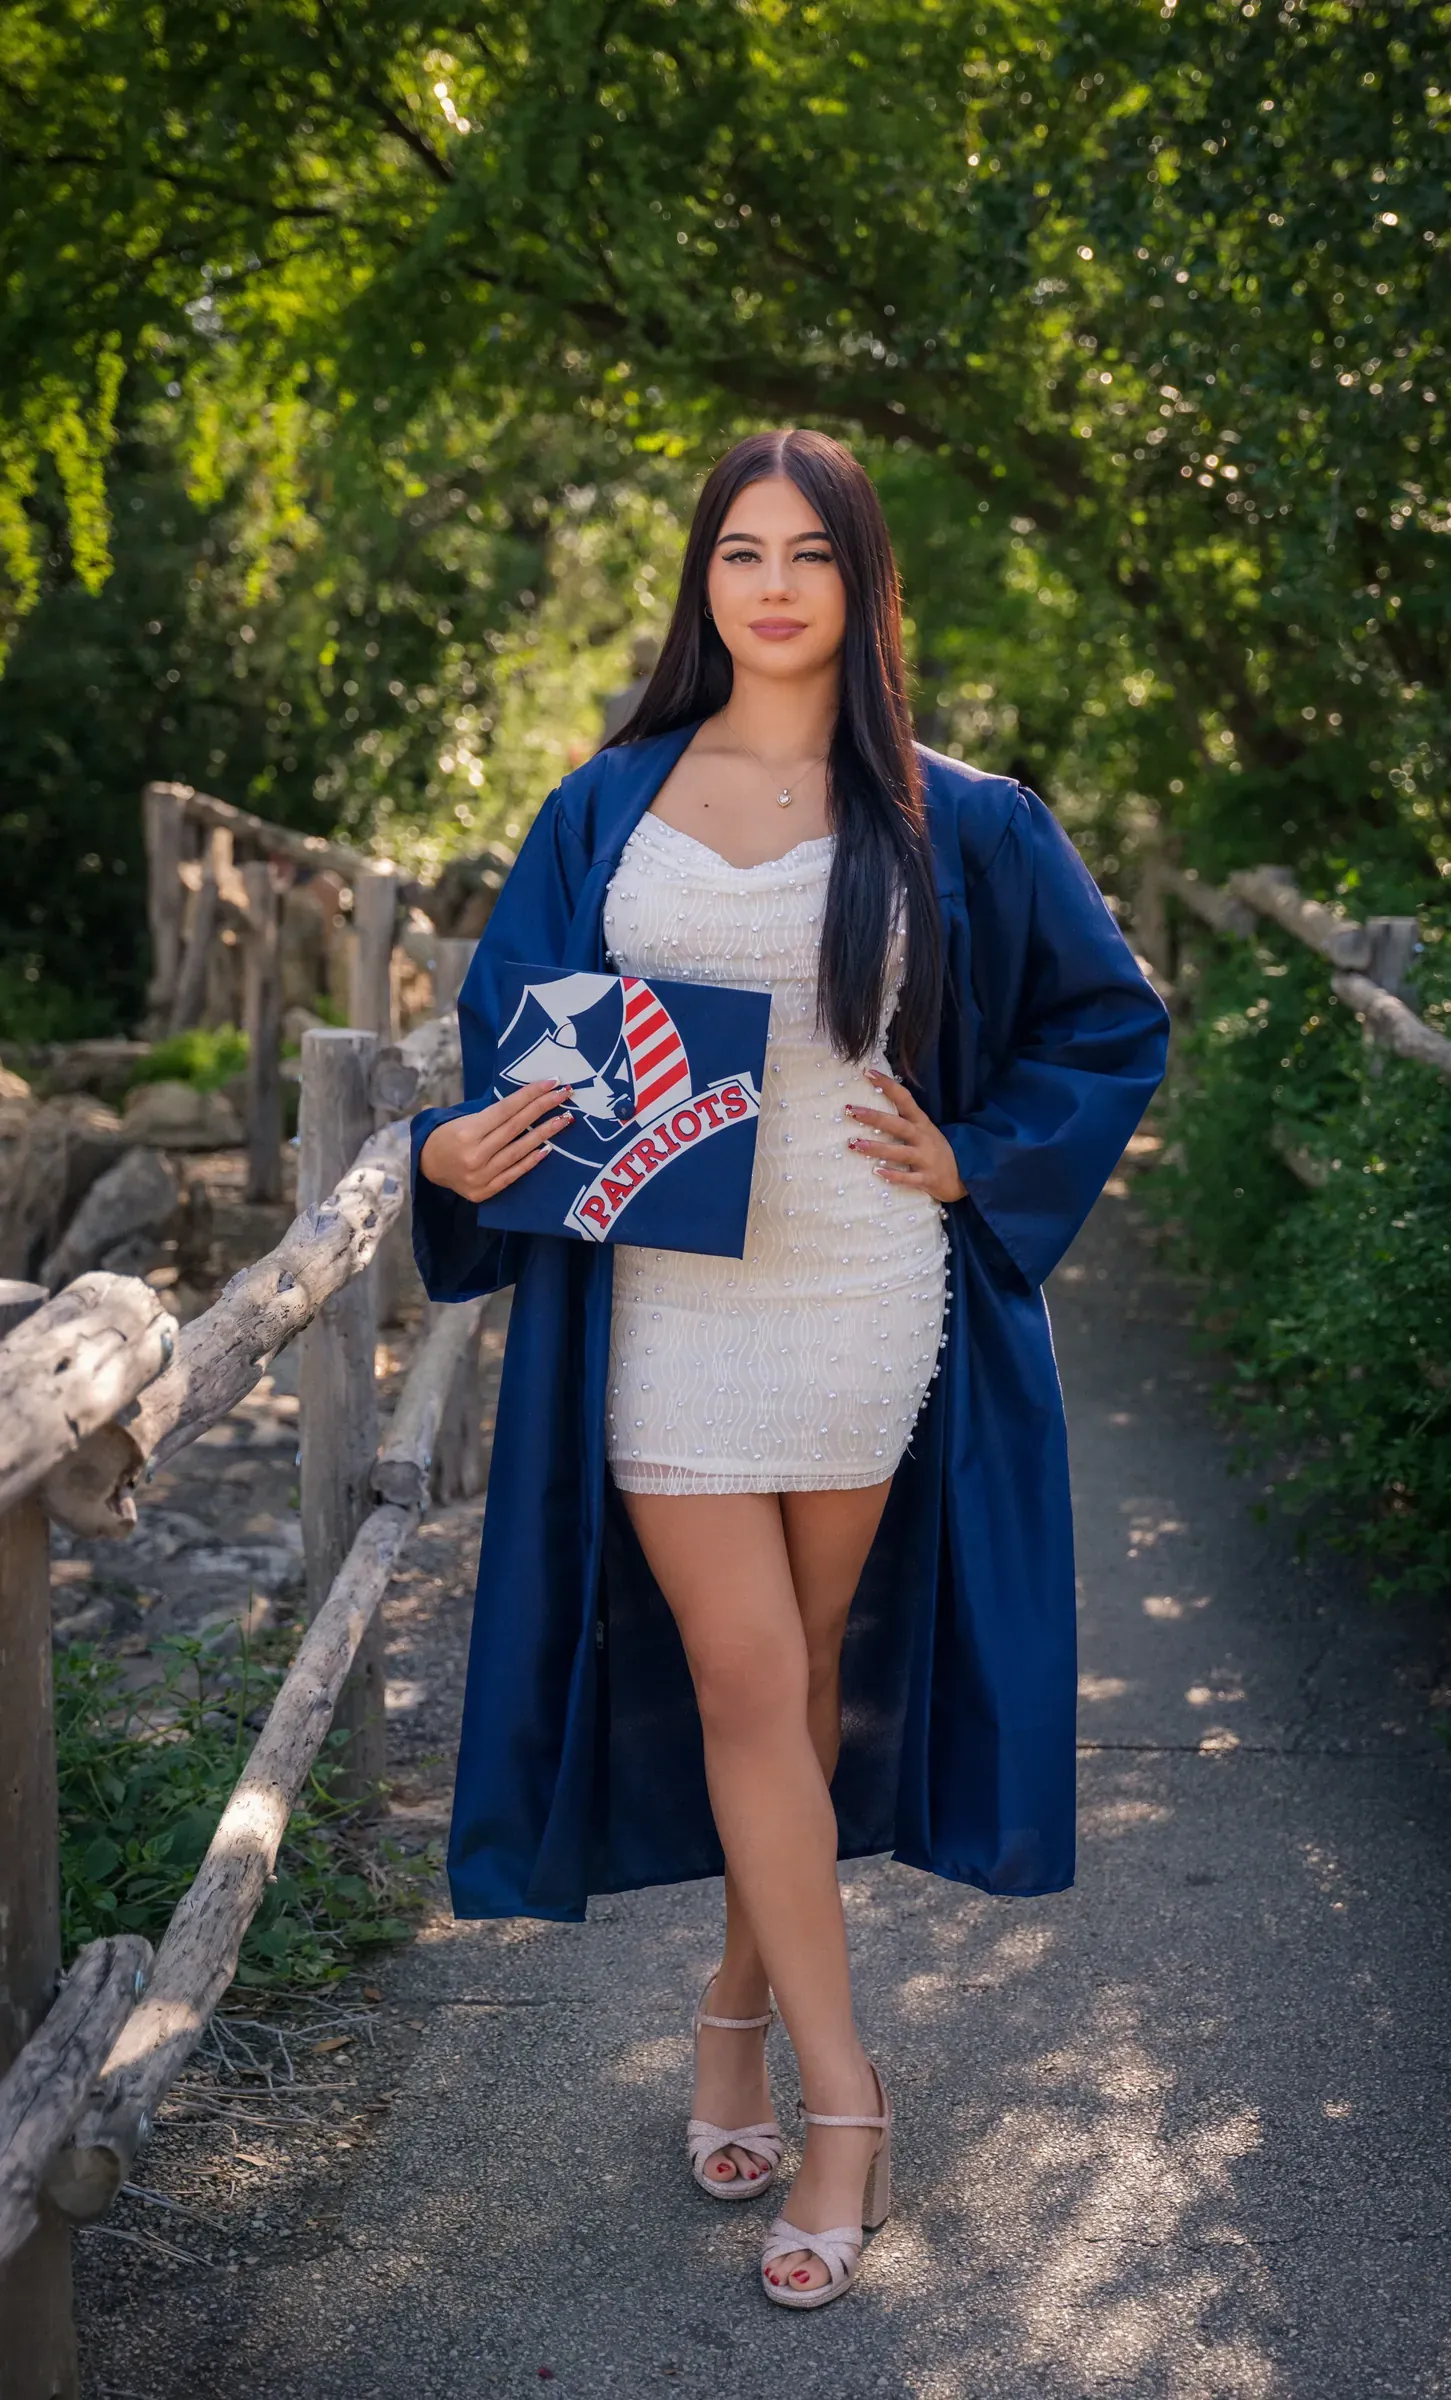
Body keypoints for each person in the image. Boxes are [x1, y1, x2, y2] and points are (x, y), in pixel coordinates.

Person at [410, 428, 1168, 2310]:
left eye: (806, 553)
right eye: (737, 551)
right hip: (667, 1303)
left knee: (810, 1674)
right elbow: (517, 1041)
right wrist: (449, 1148)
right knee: (748, 1677)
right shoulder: (608, 804)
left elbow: (1113, 1018)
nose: (769, 583)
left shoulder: (956, 816)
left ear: (861, 585)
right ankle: (850, 2101)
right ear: (703, 584)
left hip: (863, 1288)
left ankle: (735, 2009)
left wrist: (980, 1154)